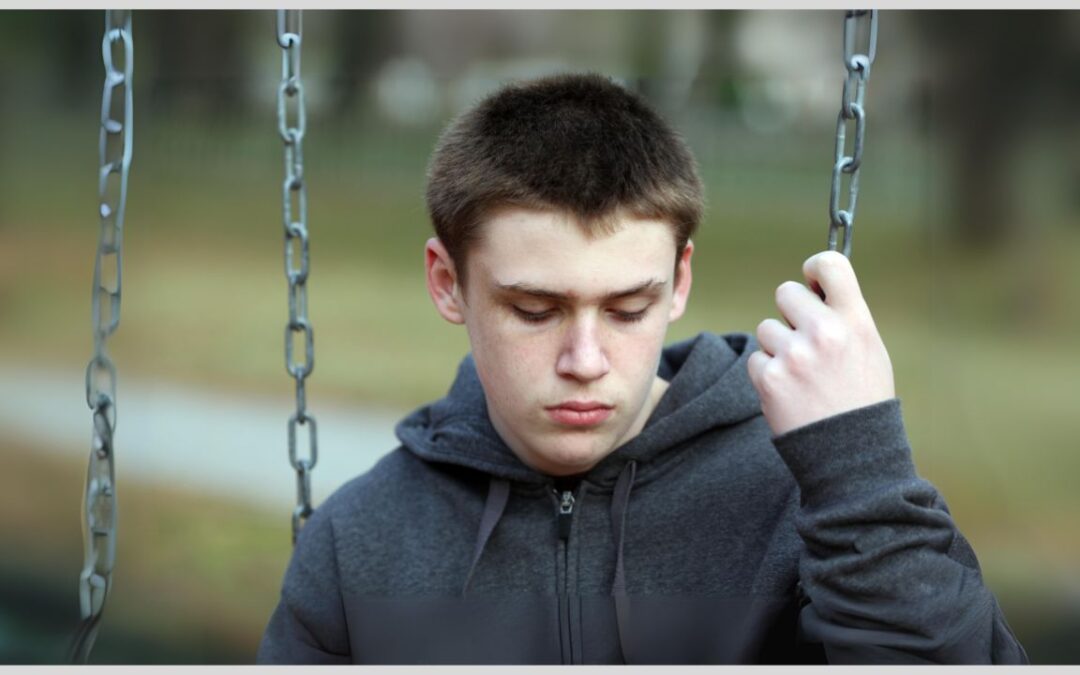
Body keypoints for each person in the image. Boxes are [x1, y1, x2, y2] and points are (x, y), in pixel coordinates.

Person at [256, 73, 1028, 664]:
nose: (585, 361)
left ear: (680, 282)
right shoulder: (360, 542)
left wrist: (861, 467)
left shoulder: (813, 503)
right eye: (534, 309)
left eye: (627, 309)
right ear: (446, 282)